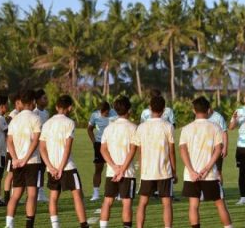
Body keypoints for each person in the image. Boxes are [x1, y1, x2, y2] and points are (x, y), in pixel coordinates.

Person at [180, 96, 232, 228]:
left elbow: (182, 151)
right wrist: (207, 169)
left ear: (193, 110)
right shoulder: (215, 127)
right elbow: (218, 149)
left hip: (191, 176)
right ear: (208, 110)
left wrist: (192, 171)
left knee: (193, 206)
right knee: (220, 204)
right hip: (210, 175)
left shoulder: (186, 129)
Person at [38, 94, 89, 228]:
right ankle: (84, 225)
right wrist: (60, 168)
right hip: (67, 167)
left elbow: (42, 148)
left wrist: (51, 167)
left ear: (56, 107)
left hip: (52, 168)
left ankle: (55, 226)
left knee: (54, 196)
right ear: (70, 108)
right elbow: (67, 148)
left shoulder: (47, 124)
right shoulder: (70, 123)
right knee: (78, 194)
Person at [134, 95, 177, 228]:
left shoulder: (141, 127)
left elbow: (139, 151)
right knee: (167, 203)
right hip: (164, 172)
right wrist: (174, 172)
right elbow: (171, 152)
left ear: (150, 108)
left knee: (142, 203)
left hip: (147, 172)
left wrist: (142, 170)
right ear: (164, 110)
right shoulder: (168, 126)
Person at [5, 90, 43, 228]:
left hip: (17, 162)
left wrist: (16, 159)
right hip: (32, 162)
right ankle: (29, 225)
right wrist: (26, 159)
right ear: (33, 102)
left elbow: (9, 141)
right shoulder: (36, 118)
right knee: (32, 195)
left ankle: (9, 224)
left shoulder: (15, 119)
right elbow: (35, 141)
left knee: (16, 194)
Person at [98, 96, 137, 228]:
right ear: (129, 110)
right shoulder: (133, 128)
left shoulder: (109, 128)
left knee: (107, 201)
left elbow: (103, 150)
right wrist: (122, 169)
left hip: (111, 172)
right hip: (128, 173)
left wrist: (114, 167)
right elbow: (132, 150)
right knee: (126, 203)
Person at [87, 101, 117, 201]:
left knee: (115, 167)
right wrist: (94, 142)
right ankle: (95, 193)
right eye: (103, 113)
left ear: (109, 110)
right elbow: (89, 129)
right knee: (98, 168)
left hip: (113, 144)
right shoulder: (94, 115)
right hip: (99, 144)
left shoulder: (114, 113)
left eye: (106, 113)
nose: (105, 114)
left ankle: (117, 192)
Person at [3, 93, 23, 205]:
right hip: (11, 151)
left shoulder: (19, 114)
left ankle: (12, 197)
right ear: (17, 103)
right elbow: (8, 132)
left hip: (17, 150)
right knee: (10, 174)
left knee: (14, 174)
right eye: (21, 102)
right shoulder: (13, 115)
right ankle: (7, 199)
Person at [33, 89, 50, 203]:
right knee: (36, 170)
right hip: (36, 146)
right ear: (38, 100)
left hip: (44, 145)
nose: (46, 100)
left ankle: (41, 192)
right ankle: (36, 192)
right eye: (44, 98)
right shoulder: (34, 113)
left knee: (42, 169)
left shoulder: (46, 113)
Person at [0, 95, 9, 206]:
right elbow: (7, 133)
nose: (8, 106)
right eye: (6, 104)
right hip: (0, 152)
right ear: (2, 106)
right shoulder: (0, 118)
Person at [208, 105, 228, 183]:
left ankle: (220, 190)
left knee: (218, 171)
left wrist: (225, 148)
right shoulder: (201, 117)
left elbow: (224, 133)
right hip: (206, 148)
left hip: (217, 148)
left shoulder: (218, 117)